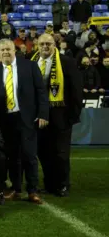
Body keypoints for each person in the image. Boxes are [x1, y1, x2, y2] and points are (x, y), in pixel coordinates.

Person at [0, 39, 49, 204]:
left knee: (30, 155)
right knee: (12, 157)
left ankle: (33, 190)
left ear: (15, 50)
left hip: (27, 118)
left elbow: (41, 91)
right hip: (5, 120)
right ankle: (16, 188)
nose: (5, 52)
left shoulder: (29, 66)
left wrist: (43, 113)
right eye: (2, 50)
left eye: (8, 49)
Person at [33, 34, 83, 197]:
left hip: (61, 117)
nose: (45, 47)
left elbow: (77, 90)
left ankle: (63, 185)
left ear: (55, 45)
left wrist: (72, 116)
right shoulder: (31, 61)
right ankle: (49, 184)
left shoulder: (67, 62)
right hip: (38, 117)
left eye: (48, 44)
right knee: (43, 152)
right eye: (42, 44)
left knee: (61, 153)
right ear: (37, 45)